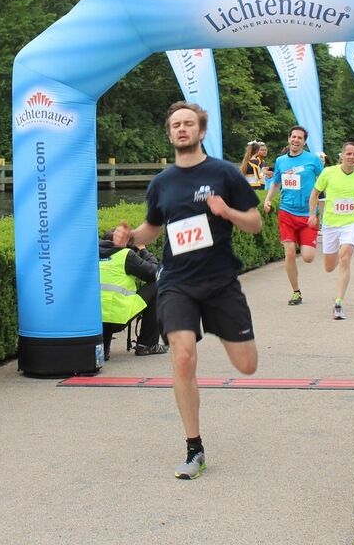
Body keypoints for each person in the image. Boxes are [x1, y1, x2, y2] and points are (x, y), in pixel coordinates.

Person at [113, 101, 261, 480]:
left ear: (201, 130)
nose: (181, 128)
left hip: (220, 282)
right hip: (177, 282)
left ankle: (219, 325)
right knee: (182, 358)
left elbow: (256, 223)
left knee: (247, 365)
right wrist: (130, 237)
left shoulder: (225, 173)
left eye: (188, 123)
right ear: (170, 133)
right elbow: (152, 229)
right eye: (175, 124)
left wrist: (227, 212)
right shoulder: (161, 183)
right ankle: (194, 448)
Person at [308, 141, 354, 320]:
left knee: (345, 258)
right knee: (329, 267)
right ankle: (336, 260)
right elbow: (315, 194)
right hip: (331, 224)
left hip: (351, 223)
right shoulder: (328, 172)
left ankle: (338, 303)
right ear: (341, 155)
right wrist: (312, 214)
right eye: (348, 153)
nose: (351, 157)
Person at [263, 126, 324, 306]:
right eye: (293, 137)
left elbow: (324, 182)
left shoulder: (313, 160)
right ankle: (296, 292)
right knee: (289, 253)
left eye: (300, 138)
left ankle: (303, 241)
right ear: (289, 139)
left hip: (307, 214)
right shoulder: (281, 161)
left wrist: (326, 206)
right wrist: (267, 200)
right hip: (287, 212)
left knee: (308, 257)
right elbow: (276, 183)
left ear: (304, 142)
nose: (296, 140)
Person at [99, 229, 168, 360]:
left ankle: (103, 347)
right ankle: (147, 345)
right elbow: (155, 273)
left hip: (95, 321)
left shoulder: (92, 254)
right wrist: (142, 249)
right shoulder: (125, 255)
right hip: (117, 318)